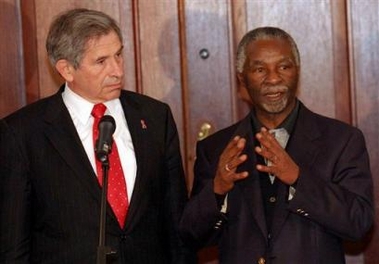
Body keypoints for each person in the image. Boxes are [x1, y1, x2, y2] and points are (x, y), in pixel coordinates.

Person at [0, 8, 194, 264]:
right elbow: (13, 244)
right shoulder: (23, 133)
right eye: (101, 61)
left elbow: (176, 220)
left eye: (118, 55)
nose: (117, 70)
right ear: (67, 69)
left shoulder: (156, 117)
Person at [179, 27, 374, 264]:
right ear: (242, 77)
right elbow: (191, 235)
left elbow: (359, 223)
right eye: (260, 69)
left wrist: (298, 179)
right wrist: (217, 189)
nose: (273, 78)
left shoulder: (341, 140)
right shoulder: (216, 148)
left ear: (297, 71)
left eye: (284, 67)